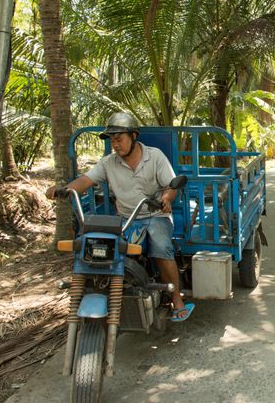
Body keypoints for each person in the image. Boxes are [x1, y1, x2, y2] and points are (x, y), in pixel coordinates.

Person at [46, 112, 194, 322]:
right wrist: (63, 189)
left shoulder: (155, 156)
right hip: (126, 218)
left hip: (155, 214)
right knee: (103, 250)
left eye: (119, 139)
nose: (115, 144)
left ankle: (176, 300)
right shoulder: (108, 163)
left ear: (133, 136)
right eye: (112, 140)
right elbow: (85, 181)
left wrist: (166, 199)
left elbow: (171, 185)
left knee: (161, 247)